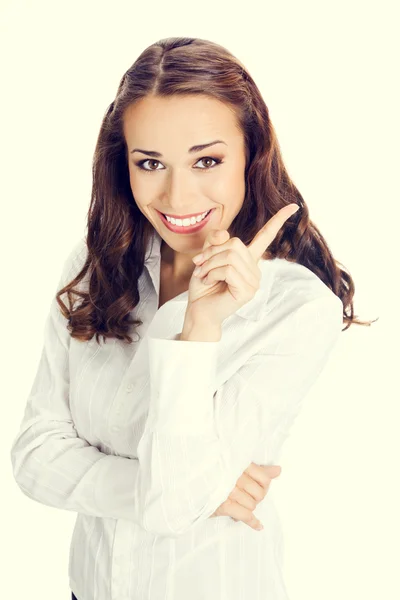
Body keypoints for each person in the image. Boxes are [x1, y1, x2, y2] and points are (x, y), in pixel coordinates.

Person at [10, 36, 375, 600]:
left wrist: (199, 331)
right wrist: (185, 490)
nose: (178, 196)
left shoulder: (296, 309)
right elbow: (35, 458)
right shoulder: (94, 266)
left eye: (207, 160)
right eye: (150, 163)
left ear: (251, 154)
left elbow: (174, 500)